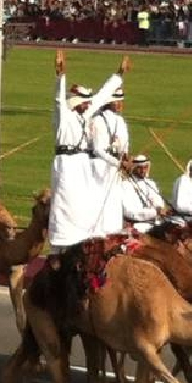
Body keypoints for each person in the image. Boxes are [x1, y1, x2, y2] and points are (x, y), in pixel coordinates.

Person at [48, 50, 127, 251]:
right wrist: (61, 75)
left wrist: (119, 75)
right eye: (85, 101)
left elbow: (101, 97)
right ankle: (60, 246)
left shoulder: (87, 114)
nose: (89, 104)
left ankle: (85, 241)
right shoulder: (64, 116)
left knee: (85, 205)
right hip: (66, 163)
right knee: (65, 205)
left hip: (84, 163)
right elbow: (58, 98)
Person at [88, 87, 130, 235]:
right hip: (100, 166)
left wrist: (125, 159)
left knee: (114, 201)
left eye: (120, 100)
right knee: (100, 202)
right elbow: (98, 150)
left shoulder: (120, 121)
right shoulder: (97, 120)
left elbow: (124, 147)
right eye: (116, 101)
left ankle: (113, 232)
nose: (119, 104)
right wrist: (118, 163)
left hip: (115, 168)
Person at [121, 154, 167, 233]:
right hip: (138, 227)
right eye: (139, 168)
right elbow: (130, 213)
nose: (143, 171)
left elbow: (159, 203)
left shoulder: (150, 183)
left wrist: (160, 209)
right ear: (134, 168)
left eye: (145, 167)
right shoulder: (125, 185)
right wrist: (155, 212)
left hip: (155, 224)